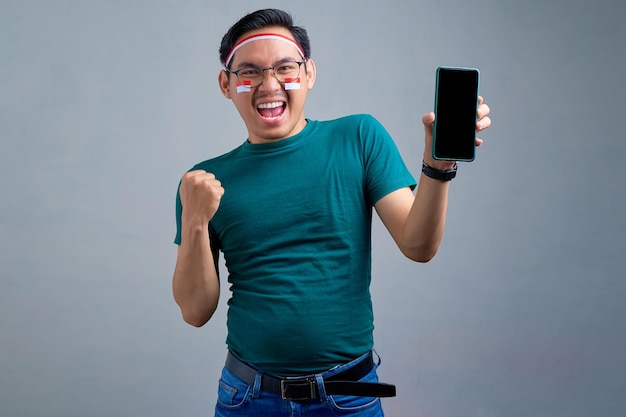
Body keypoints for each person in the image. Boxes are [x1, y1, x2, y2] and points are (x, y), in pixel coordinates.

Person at [172, 8, 491, 417]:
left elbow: (418, 244)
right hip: (248, 399)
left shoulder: (358, 138)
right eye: (249, 72)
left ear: (308, 74)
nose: (269, 85)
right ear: (226, 83)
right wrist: (196, 220)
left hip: (348, 398)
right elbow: (195, 311)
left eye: (285, 68)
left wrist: (438, 164)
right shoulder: (202, 183)